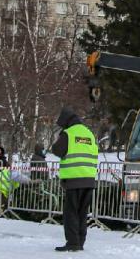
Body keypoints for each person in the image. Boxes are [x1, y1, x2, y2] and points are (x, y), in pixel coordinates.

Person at [50, 107, 98, 252]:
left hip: (73, 180)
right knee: (82, 213)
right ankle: (80, 241)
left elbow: (57, 150)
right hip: (89, 179)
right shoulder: (89, 133)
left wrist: (60, 137)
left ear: (66, 122)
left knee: (71, 212)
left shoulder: (68, 133)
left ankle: (72, 243)